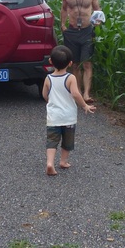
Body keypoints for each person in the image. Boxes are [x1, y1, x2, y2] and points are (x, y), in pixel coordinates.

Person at [42, 45, 96, 176]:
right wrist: (84, 106)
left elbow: (45, 94)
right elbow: (76, 94)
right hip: (68, 117)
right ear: (70, 63)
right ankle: (63, 161)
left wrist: (51, 101)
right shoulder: (70, 78)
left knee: (52, 141)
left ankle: (50, 163)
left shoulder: (48, 78)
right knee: (67, 141)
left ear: (50, 61)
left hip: (53, 117)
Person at [61, 0, 101, 104]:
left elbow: (97, 9)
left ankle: (86, 94)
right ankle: (76, 92)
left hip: (86, 31)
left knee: (87, 64)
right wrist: (62, 25)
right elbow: (64, 9)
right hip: (72, 31)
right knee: (75, 64)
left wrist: (98, 20)